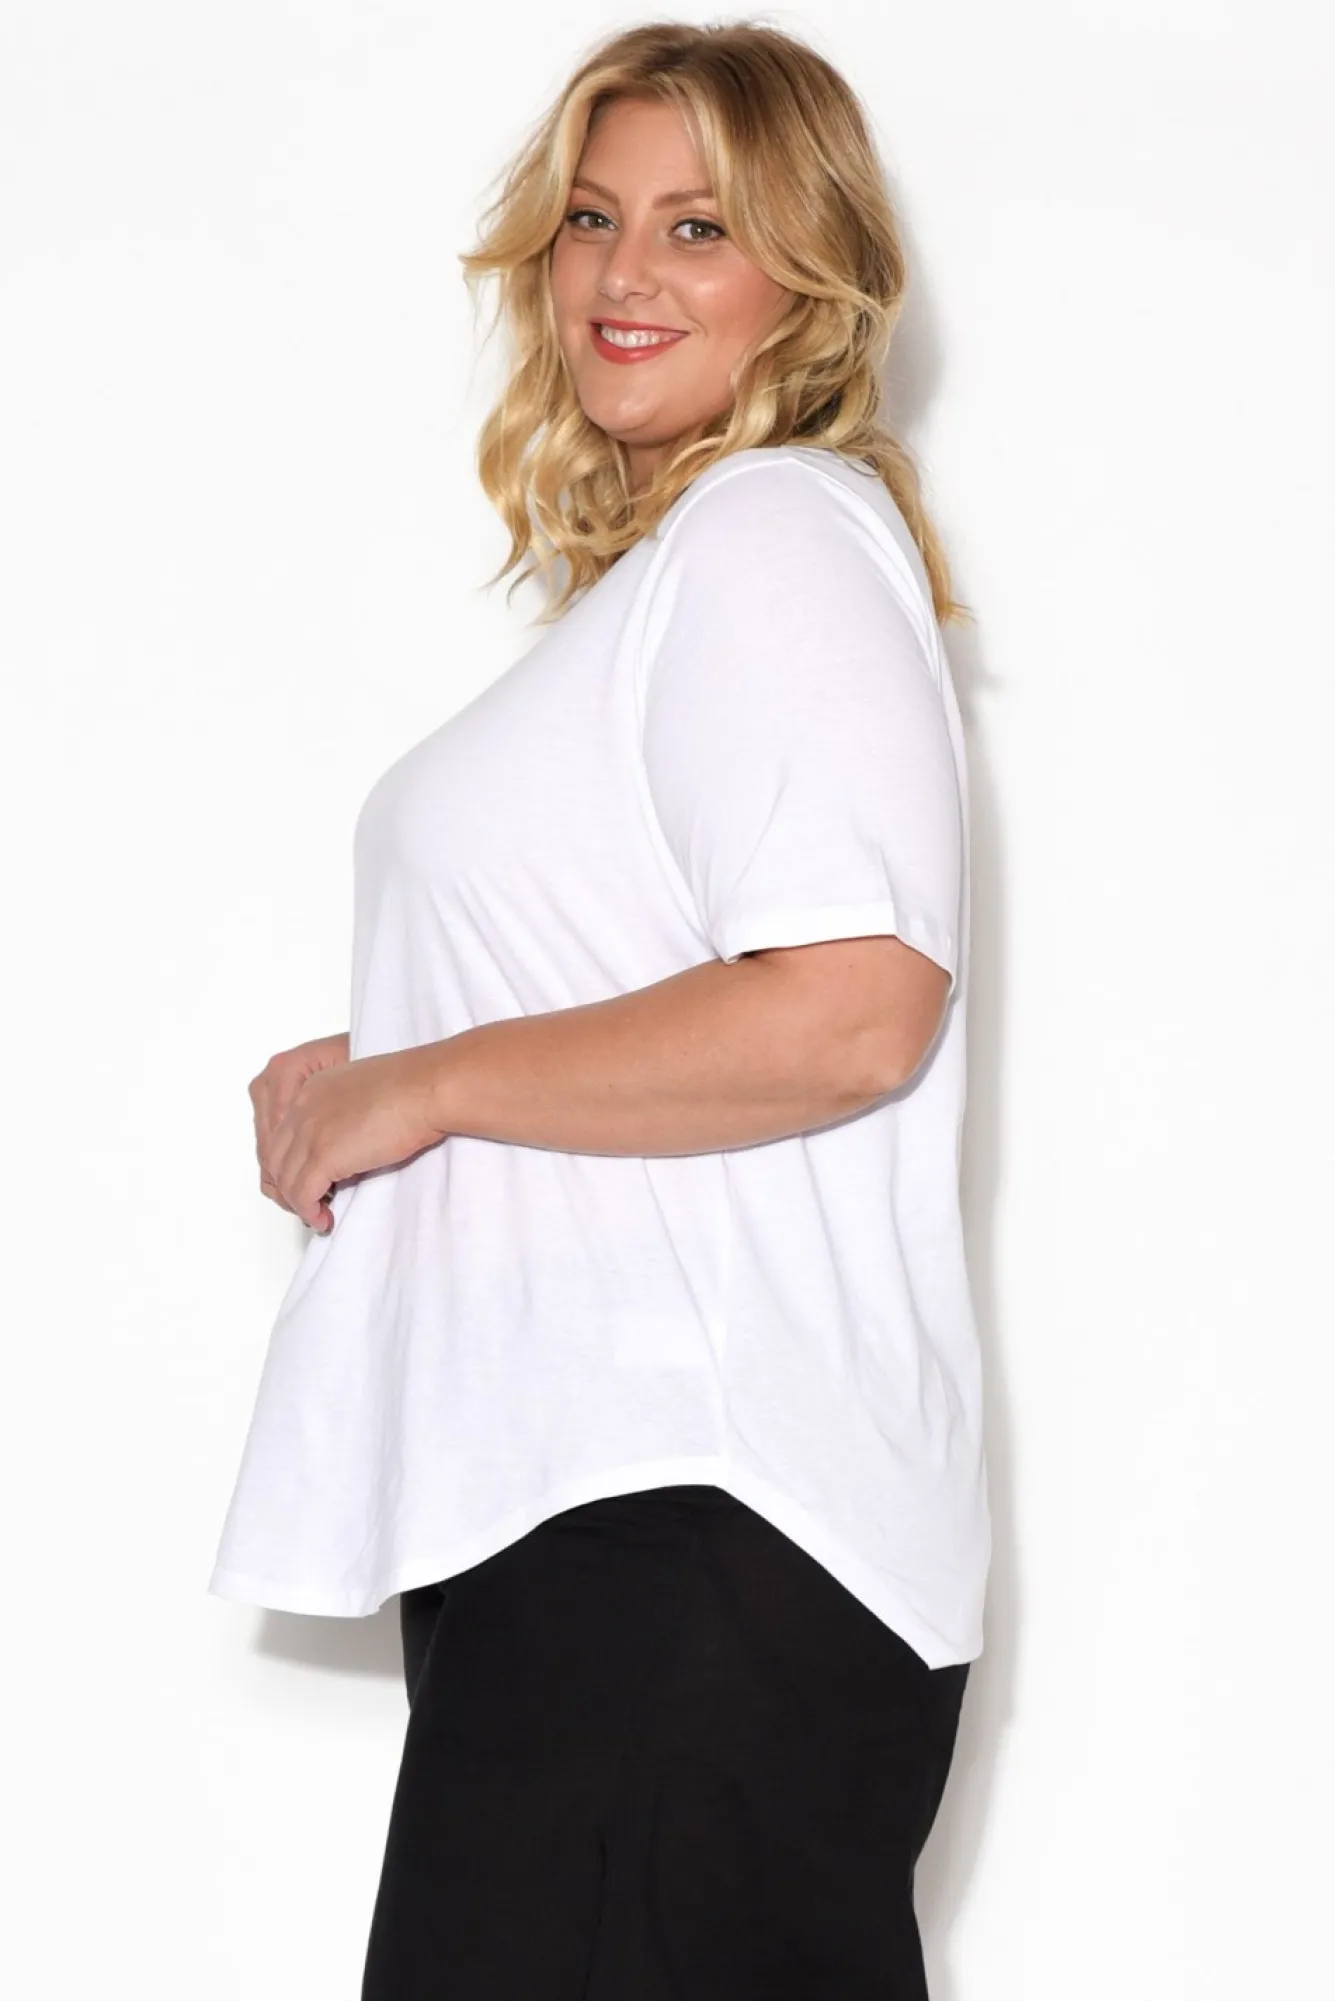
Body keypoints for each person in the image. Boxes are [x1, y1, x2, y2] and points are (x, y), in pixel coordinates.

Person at [211, 18, 991, 1999]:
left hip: (679, 1535)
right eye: (588, 218)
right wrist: (400, 1058)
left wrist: (425, 1085)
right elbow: (714, 982)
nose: (622, 274)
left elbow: (850, 1008)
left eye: (697, 226)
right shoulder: (675, 585)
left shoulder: (772, 529)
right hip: (625, 1541)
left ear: (808, 274)